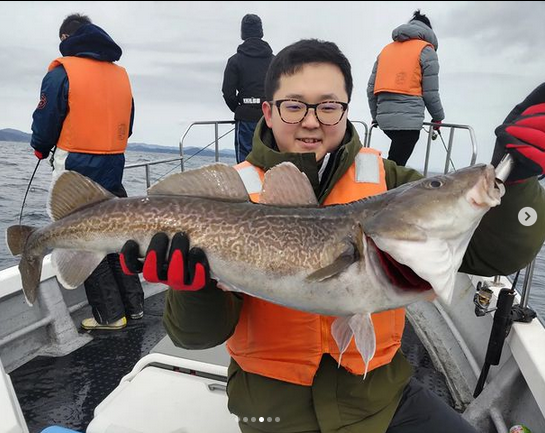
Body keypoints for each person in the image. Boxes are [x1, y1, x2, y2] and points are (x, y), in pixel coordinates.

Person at [120, 40, 545, 433]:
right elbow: (196, 338)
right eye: (293, 106)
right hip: (274, 411)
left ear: (346, 112)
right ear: (267, 112)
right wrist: (192, 290)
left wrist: (517, 181)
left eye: (328, 107)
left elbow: (495, 256)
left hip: (382, 398)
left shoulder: (390, 183)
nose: (310, 121)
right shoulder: (234, 196)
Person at [30, 13, 143, 330]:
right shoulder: (121, 75)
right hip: (113, 166)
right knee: (117, 235)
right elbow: (129, 125)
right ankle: (134, 307)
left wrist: (40, 146)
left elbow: (47, 120)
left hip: (75, 169)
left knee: (85, 239)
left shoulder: (62, 73)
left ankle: (110, 315)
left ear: (66, 38)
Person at [367, 10, 445, 167]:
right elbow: (430, 92)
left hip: (384, 121)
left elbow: (370, 89)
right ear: (428, 30)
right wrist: (438, 118)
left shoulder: (386, 50)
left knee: (395, 160)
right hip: (408, 122)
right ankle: (384, 187)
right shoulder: (426, 50)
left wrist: (376, 116)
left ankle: (382, 183)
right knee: (396, 165)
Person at [222, 14, 274, 163]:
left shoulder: (234, 61)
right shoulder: (275, 61)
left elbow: (228, 92)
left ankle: (248, 187)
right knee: (270, 160)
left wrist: (239, 108)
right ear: (261, 32)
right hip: (270, 119)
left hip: (245, 119)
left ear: (242, 33)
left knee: (246, 163)